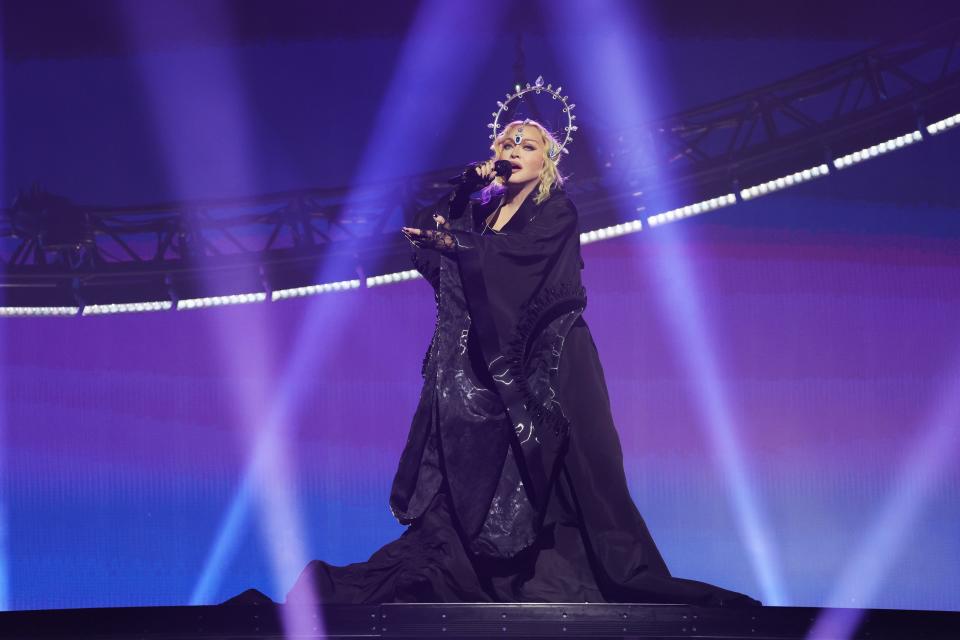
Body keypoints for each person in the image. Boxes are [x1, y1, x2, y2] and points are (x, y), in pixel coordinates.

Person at [286, 120, 759, 606]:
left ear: (546, 162)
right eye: (506, 143)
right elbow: (430, 237)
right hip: (486, 372)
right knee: (478, 474)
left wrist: (460, 245)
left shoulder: (556, 211)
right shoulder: (480, 214)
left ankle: (567, 575)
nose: (514, 150)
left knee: (560, 471)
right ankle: (482, 572)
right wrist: (468, 186)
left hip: (550, 363)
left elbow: (520, 259)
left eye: (527, 145)